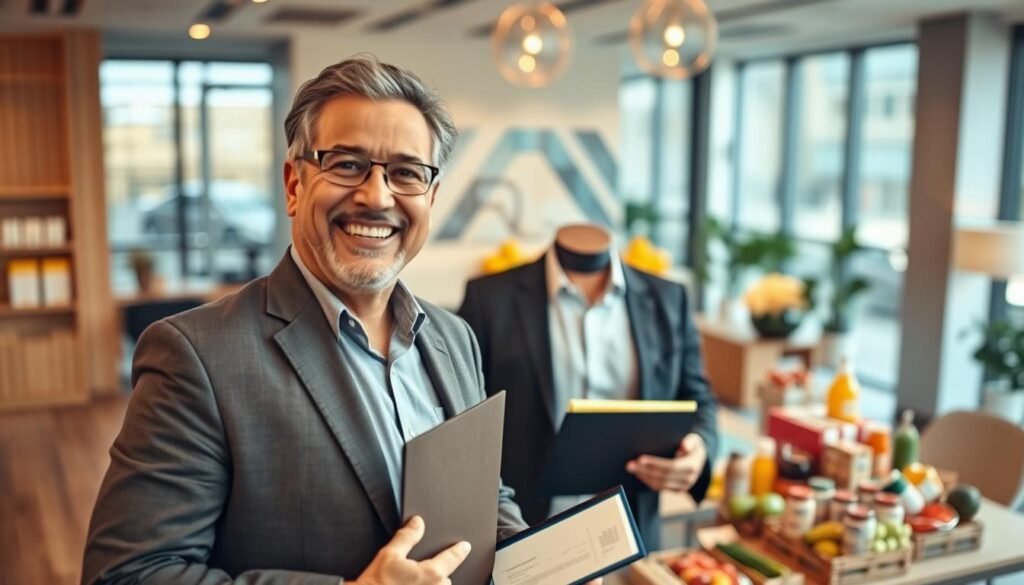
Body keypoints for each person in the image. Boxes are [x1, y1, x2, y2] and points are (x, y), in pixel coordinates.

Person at [82, 56, 528, 585]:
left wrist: (546, 562)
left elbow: (482, 495)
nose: (377, 196)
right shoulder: (197, 357)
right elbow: (128, 574)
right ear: (294, 185)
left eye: (406, 173)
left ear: (430, 198)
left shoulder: (455, 338)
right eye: (346, 164)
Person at [458, 224, 719, 550]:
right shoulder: (490, 298)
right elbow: (463, 415)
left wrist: (699, 447)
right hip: (523, 528)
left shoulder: (668, 298)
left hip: (632, 528)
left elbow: (699, 398)